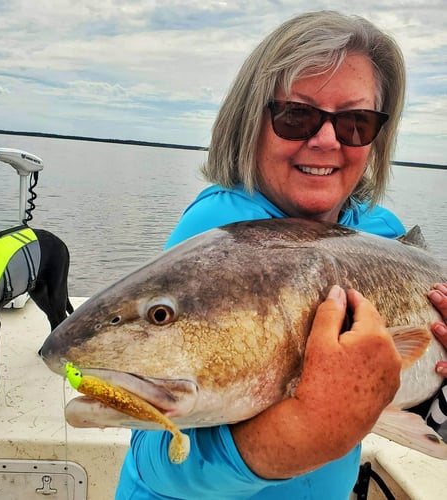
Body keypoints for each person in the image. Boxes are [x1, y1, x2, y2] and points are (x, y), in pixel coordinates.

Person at [116, 10, 447, 499]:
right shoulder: (225, 239)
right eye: (296, 115)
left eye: (356, 122)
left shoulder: (381, 233)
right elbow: (156, 460)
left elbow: (415, 406)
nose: (327, 139)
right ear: (253, 119)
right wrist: (302, 432)